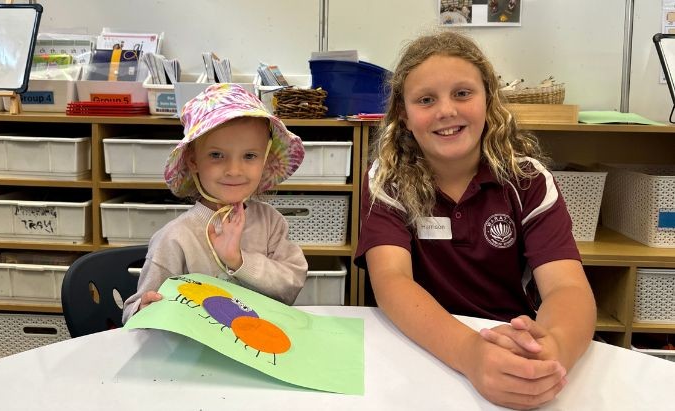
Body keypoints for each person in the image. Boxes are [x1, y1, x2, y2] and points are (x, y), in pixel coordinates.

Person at [354, 31, 596, 410]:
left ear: (488, 99)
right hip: (418, 347)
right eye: (426, 100)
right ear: (403, 114)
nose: (446, 110)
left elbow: (568, 287)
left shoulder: (528, 180)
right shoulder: (387, 179)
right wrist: (470, 354)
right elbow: (391, 281)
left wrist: (552, 350)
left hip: (510, 344)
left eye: (462, 93)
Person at [123, 83, 308, 323]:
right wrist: (143, 309)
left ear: (264, 159)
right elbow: (133, 312)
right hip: (195, 355)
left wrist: (238, 260)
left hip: (263, 348)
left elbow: (291, 285)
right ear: (193, 160)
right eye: (216, 155)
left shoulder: (270, 222)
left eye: (249, 156)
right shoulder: (175, 238)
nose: (234, 170)